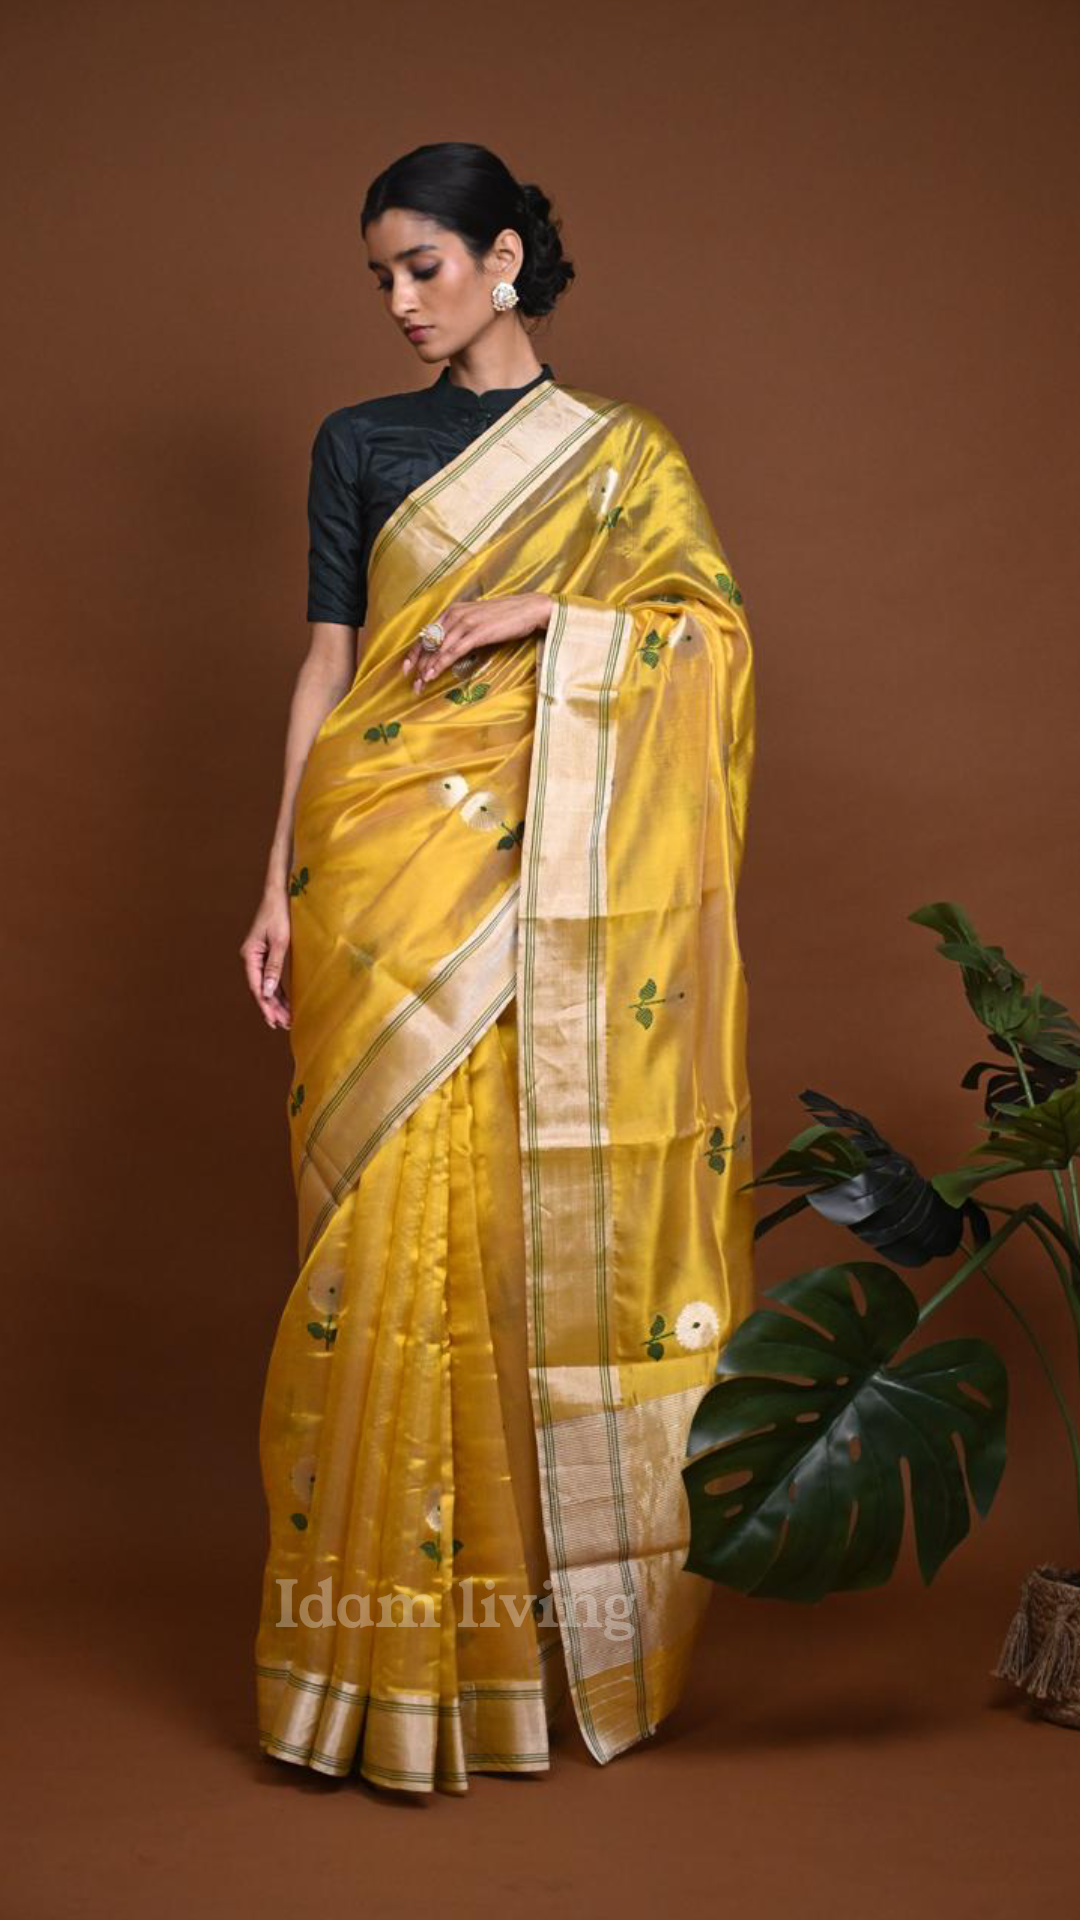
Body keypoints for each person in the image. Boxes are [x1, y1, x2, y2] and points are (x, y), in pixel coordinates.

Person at [240, 140, 757, 1797]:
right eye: (382, 276)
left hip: (539, 878)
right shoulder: (357, 442)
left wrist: (555, 614)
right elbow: (327, 669)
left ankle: (516, 1654)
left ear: (507, 256)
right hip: (378, 862)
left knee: (513, 1219)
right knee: (382, 1224)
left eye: (425, 266)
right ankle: (367, 1662)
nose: (400, 301)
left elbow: (708, 640)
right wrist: (274, 883)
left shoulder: (625, 457)